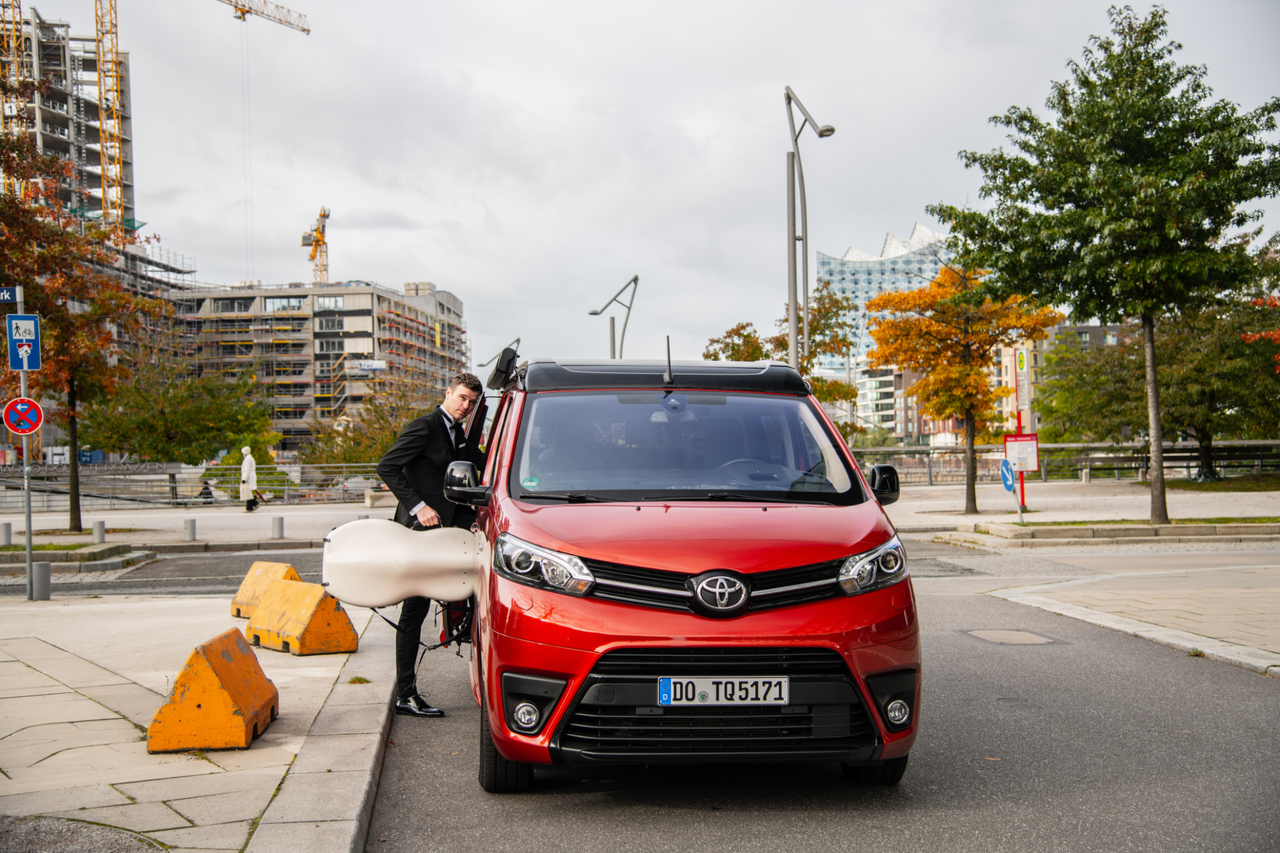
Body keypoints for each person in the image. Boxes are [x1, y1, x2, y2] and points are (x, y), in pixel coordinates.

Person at [376, 373, 486, 717]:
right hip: (420, 533)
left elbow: (477, 469)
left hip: (447, 532)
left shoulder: (460, 436)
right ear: (448, 393)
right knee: (414, 611)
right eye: (462, 398)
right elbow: (388, 467)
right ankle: (405, 695)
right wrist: (418, 506)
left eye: (471, 402)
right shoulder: (424, 427)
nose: (465, 406)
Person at [240, 447, 258, 512]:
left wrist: (244, 479)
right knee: (249, 491)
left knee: (248, 492)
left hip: (249, 477)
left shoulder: (247, 459)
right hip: (250, 476)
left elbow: (247, 470)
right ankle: (252, 505)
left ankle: (252, 506)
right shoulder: (250, 458)